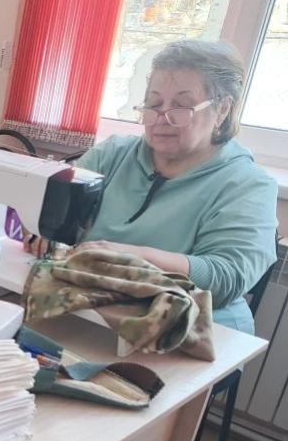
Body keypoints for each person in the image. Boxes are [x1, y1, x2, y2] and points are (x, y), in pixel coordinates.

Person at [23, 40, 278, 334]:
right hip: (96, 313)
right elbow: (54, 215)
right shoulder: (111, 155)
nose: (161, 118)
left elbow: (225, 279)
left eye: (180, 106)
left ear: (222, 109)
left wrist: (129, 258)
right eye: (154, 104)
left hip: (191, 331)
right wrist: (42, 228)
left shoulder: (247, 185)